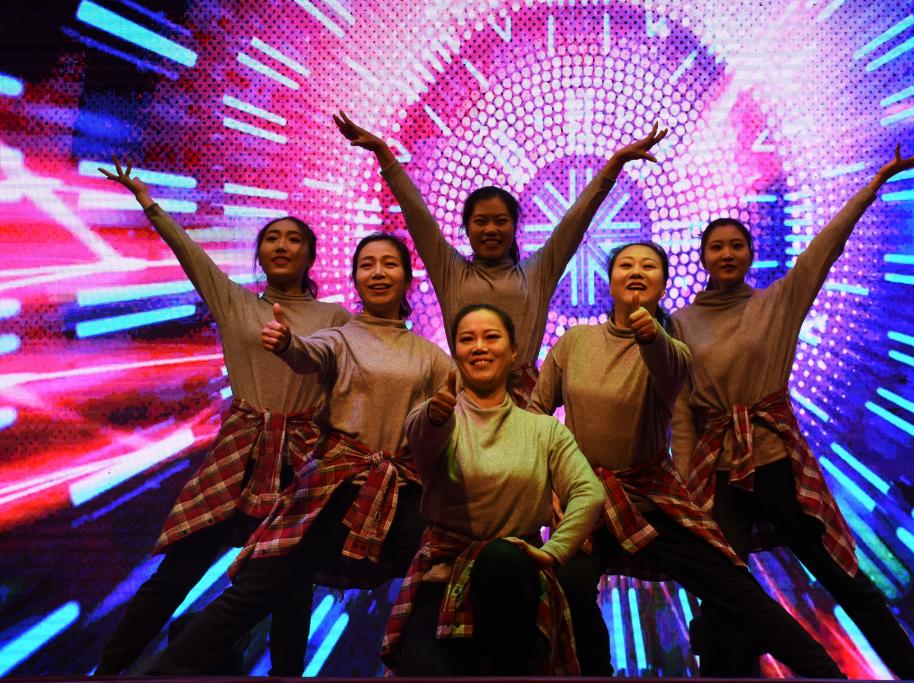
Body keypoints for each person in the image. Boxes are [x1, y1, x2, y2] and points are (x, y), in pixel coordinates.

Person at [674, 146, 914, 679]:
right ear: (702, 258)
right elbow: (681, 412)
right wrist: (683, 482)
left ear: (751, 254)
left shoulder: (777, 302)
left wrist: (873, 186)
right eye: (716, 247)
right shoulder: (679, 322)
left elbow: (824, 249)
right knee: (721, 586)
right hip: (718, 464)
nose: (727, 254)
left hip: (774, 456)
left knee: (838, 573)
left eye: (736, 245)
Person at [528, 241, 844, 677]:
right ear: (610, 279)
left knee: (734, 589)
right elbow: (535, 414)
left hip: (652, 494)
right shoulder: (575, 342)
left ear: (662, 284)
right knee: (567, 588)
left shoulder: (674, 349)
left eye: (648, 266)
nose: (636, 271)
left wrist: (649, 333)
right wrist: (549, 482)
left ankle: (828, 675)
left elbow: (667, 367)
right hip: (590, 498)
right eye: (626, 264)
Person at [147, 233, 452, 674]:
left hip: (395, 492)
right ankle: (159, 675)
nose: (378, 272)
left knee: (439, 571)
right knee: (256, 591)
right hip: (333, 485)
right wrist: (289, 344)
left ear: (407, 278)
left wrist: (444, 417)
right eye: (367, 264)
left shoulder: (431, 358)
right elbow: (310, 353)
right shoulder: (340, 338)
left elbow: (455, 413)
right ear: (355, 278)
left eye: (389, 264)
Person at [94, 158, 349, 675]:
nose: (281, 245)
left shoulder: (337, 318)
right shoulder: (235, 302)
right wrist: (147, 202)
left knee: (291, 586)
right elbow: (188, 254)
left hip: (300, 459)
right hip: (241, 451)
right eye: (272, 238)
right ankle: (108, 672)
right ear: (260, 254)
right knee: (178, 572)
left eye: (293, 239)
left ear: (311, 256)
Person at [333, 109, 666, 404]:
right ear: (466, 229)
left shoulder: (538, 272)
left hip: (525, 404)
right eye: (481, 221)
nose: (490, 229)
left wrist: (614, 164)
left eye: (500, 221)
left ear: (514, 227)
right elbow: (417, 213)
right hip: (463, 402)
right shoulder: (451, 272)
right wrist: (383, 154)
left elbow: (576, 220)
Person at [381, 304, 605, 675]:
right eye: (467, 339)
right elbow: (422, 435)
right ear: (455, 352)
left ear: (513, 351)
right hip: (445, 578)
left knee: (501, 557)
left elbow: (588, 492)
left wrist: (553, 552)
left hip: (515, 583)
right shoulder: (438, 415)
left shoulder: (544, 430)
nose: (479, 347)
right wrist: (436, 415)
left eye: (491, 337)